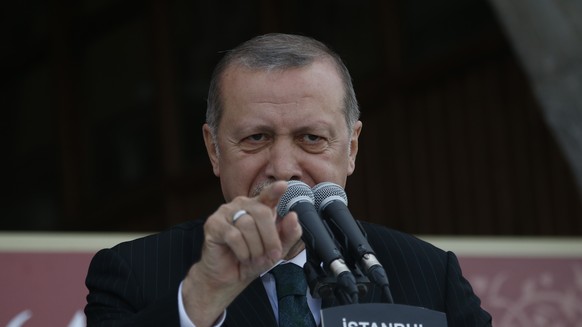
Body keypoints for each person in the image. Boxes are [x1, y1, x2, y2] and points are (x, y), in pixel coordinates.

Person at [85, 33, 492, 327]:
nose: (283, 167)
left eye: (311, 138)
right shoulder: (134, 274)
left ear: (350, 148)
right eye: (255, 138)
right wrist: (200, 300)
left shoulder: (427, 273)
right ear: (214, 149)